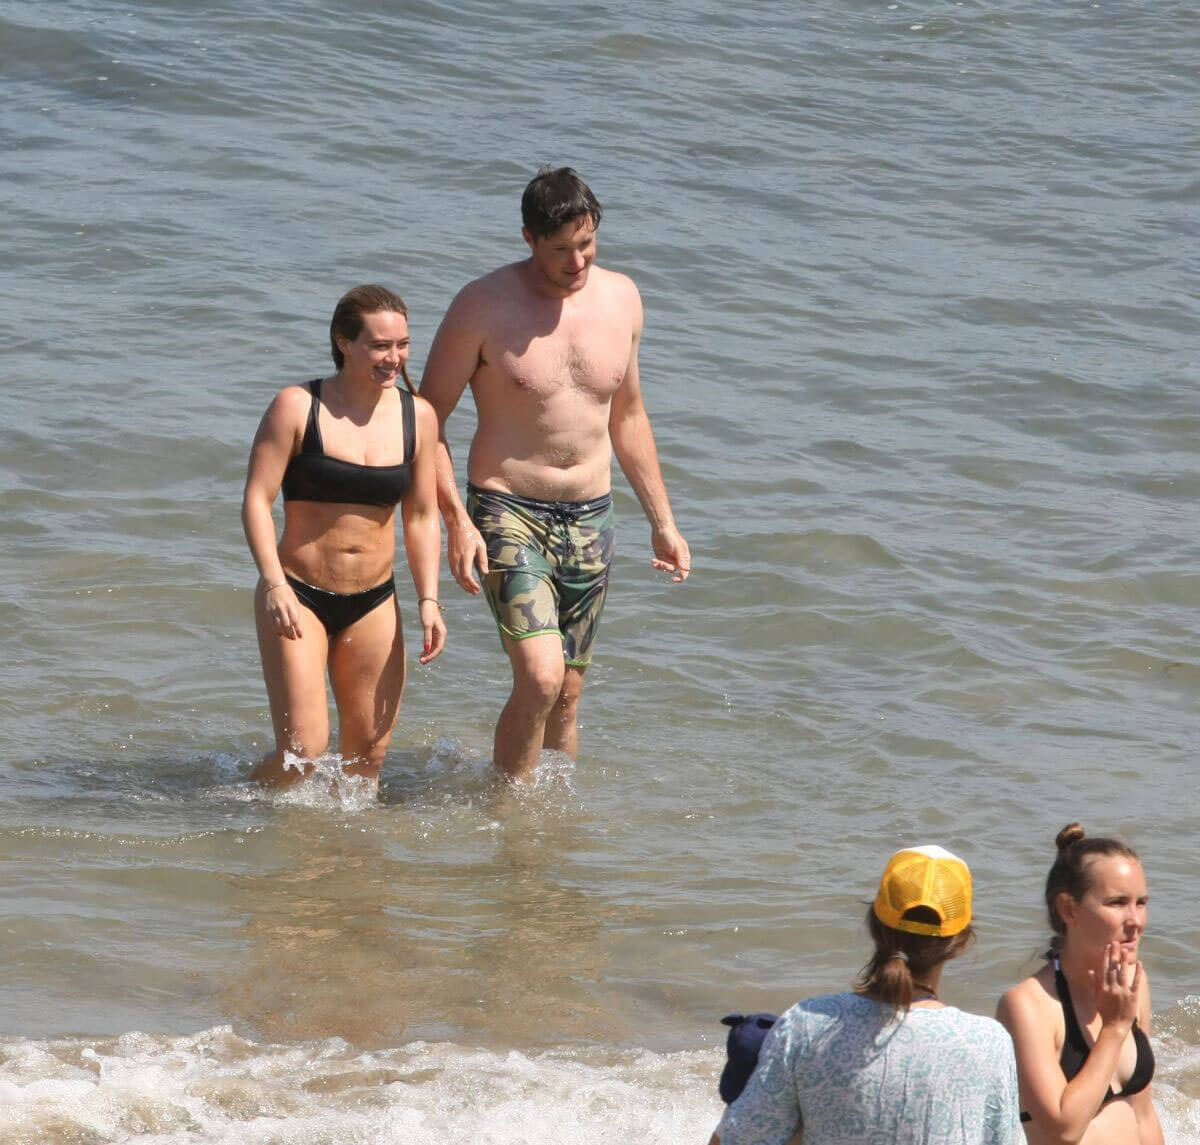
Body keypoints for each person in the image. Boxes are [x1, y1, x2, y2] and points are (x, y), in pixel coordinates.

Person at [418, 166, 690, 780]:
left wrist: (663, 522)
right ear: (528, 238)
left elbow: (629, 415)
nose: (577, 261)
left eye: (587, 244)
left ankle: (546, 844)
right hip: (507, 507)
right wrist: (456, 522)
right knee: (539, 678)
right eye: (561, 248)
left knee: (567, 695)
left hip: (592, 516)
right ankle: (506, 814)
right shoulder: (483, 304)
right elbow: (426, 419)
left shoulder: (622, 298)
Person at [242, 284, 446, 790]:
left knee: (368, 759)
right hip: (298, 595)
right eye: (380, 345)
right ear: (344, 343)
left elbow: (421, 514)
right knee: (303, 753)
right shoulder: (297, 406)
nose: (393, 357)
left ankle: (352, 865)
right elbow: (255, 501)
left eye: (402, 344)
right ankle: (244, 804)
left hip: (375, 599)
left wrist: (429, 599)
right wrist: (274, 585)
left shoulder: (416, 416)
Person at [710, 846, 1022, 1145]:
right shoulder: (987, 1044)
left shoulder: (806, 1025)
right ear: (963, 940)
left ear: (874, 923)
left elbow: (740, 1139)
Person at [996, 824, 1164, 1145]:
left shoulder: (1132, 985)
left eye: (1141, 902)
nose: (1136, 921)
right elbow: (1063, 1129)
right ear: (1068, 909)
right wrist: (1114, 1028)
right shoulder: (1028, 1006)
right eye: (1117, 903)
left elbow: (1143, 1113)